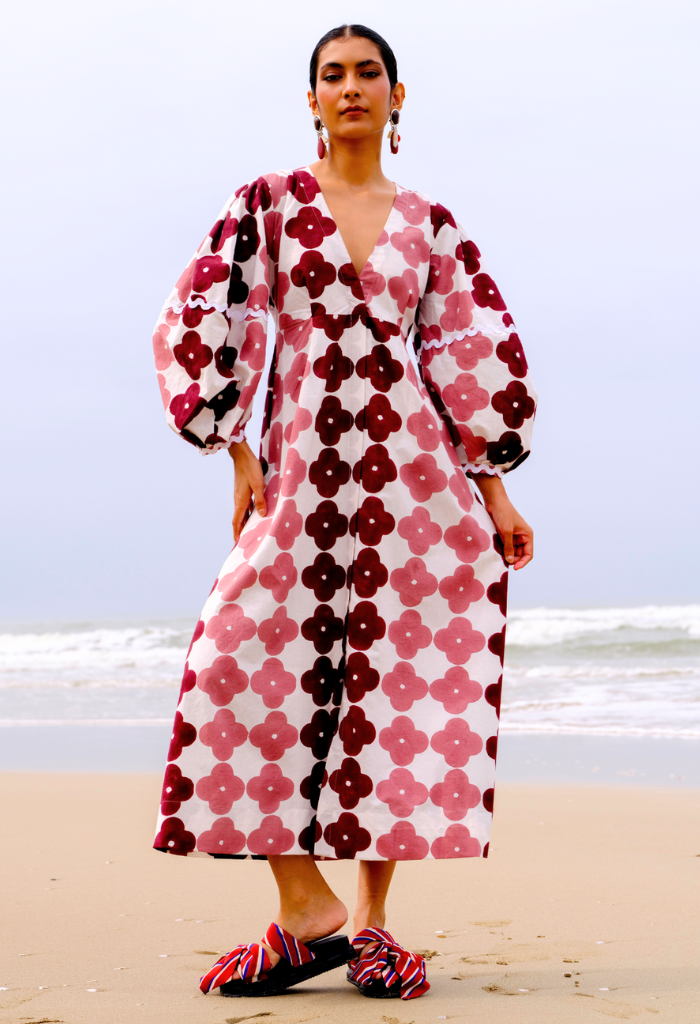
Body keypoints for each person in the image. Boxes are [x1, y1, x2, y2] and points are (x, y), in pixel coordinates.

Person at [151, 23, 536, 1001]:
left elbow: (465, 350)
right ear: (312, 98)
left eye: (369, 73)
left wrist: (495, 486)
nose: (351, 86)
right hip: (300, 479)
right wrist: (234, 447)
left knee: (391, 687)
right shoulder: (269, 204)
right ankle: (304, 906)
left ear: (398, 98)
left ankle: (370, 926)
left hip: (415, 485)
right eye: (333, 74)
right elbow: (205, 313)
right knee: (232, 659)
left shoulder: (431, 225)